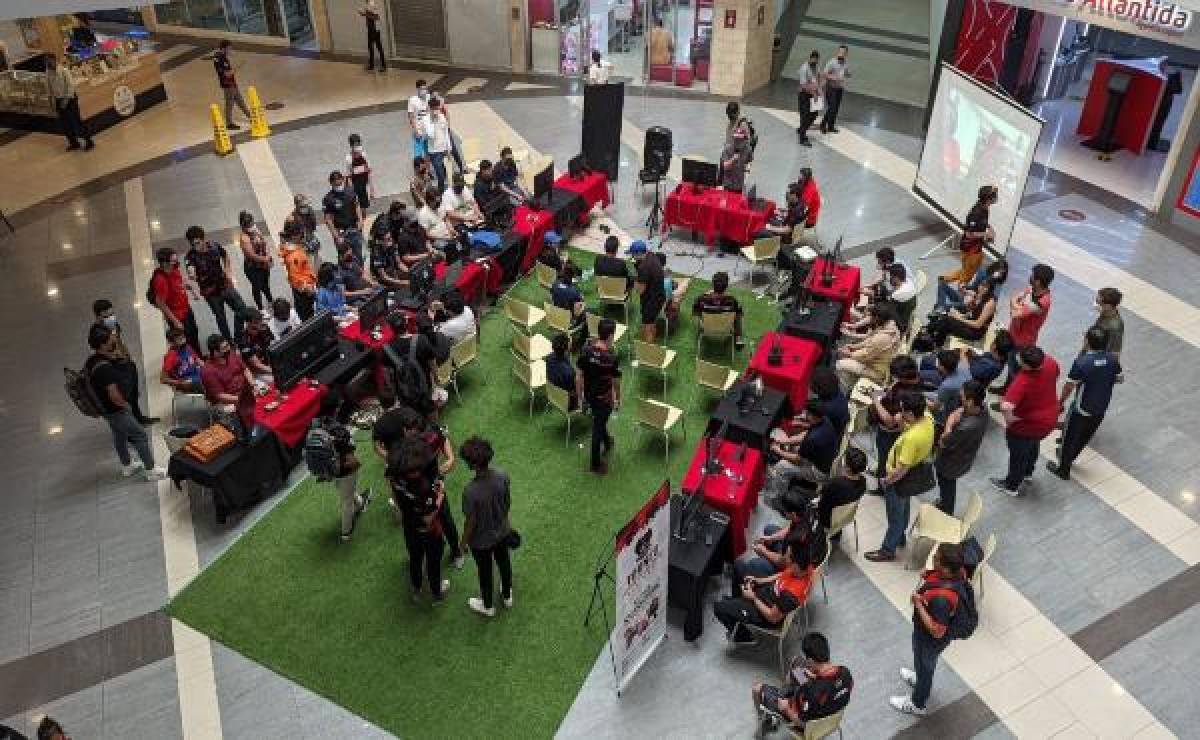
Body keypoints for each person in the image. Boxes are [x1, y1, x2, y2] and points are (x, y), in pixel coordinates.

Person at [891, 543, 973, 716]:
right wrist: (929, 575)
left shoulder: (942, 600)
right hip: (927, 635)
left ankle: (917, 703)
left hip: (931, 639)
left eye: (936, 557)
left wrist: (918, 604)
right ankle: (920, 678)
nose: (933, 557)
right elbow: (939, 579)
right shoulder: (959, 572)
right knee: (922, 663)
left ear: (944, 568)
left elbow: (938, 631)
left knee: (926, 664)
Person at [86, 324, 166, 481]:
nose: (114, 339)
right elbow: (114, 395)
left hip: (106, 411)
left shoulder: (92, 361)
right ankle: (151, 471)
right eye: (110, 338)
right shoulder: (105, 369)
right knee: (140, 435)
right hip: (116, 410)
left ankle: (127, 466)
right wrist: (126, 405)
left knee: (119, 435)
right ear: (103, 344)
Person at [866, 392, 935, 562]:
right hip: (914, 473)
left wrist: (887, 480)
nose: (900, 413)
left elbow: (901, 470)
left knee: (895, 515)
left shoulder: (912, 438)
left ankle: (887, 550)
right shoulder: (927, 418)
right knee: (903, 508)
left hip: (900, 479)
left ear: (911, 414)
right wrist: (903, 421)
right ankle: (900, 537)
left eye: (903, 410)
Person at [1049, 327, 1122, 480]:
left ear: (1087, 341)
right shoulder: (1113, 359)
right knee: (1084, 437)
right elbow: (1119, 378)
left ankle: (1063, 469)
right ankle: (1072, 457)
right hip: (1101, 407)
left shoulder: (1082, 363)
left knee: (1069, 438)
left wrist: (1060, 402)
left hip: (1081, 409)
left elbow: (1069, 386)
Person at [387, 436, 449, 603]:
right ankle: (437, 593)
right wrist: (440, 495)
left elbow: (393, 493)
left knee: (415, 557)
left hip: (409, 526)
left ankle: (416, 587)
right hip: (427, 532)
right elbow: (429, 518)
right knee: (433, 562)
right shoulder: (423, 487)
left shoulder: (394, 475)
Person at [990, 346, 1060, 496]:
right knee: (1033, 445)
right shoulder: (1050, 362)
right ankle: (1028, 473)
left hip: (1027, 425)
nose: (1017, 358)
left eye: (1020, 359)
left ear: (1027, 366)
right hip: (1049, 418)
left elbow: (1005, 406)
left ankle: (1011, 486)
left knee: (1018, 455)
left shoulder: (1023, 381)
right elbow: (1055, 376)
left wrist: (1010, 420)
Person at [714, 540, 813, 644]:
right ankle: (738, 602)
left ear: (795, 565)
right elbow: (783, 574)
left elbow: (772, 618)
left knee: (719, 608)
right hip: (769, 593)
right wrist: (759, 580)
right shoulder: (805, 567)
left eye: (787, 556)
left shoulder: (789, 596)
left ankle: (743, 637)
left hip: (766, 612)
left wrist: (753, 598)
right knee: (738, 564)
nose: (784, 557)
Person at [753, 632, 853, 732]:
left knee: (757, 689)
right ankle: (785, 690)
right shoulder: (846, 673)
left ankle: (766, 719)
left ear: (810, 660)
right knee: (797, 663)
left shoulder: (812, 694)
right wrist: (815, 677)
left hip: (801, 715)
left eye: (807, 659)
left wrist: (786, 709)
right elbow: (830, 687)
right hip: (825, 710)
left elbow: (803, 724)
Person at [460, 437, 514, 617]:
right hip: (502, 532)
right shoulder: (502, 475)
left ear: (472, 464)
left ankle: (488, 606)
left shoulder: (470, 491)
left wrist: (462, 544)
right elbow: (507, 503)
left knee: (485, 572)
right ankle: (507, 596)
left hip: (481, 542)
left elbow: (470, 522)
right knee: (504, 561)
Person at [312, 389, 372, 541]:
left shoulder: (316, 422)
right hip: (343, 466)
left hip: (328, 466)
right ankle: (346, 531)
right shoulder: (338, 429)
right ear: (336, 407)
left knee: (345, 489)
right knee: (346, 501)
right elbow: (349, 452)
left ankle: (359, 503)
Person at [993, 263, 1054, 394]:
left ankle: (1010, 396)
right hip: (1013, 333)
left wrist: (1016, 306)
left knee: (1015, 370)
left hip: (1023, 341)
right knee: (1010, 363)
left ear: (1038, 281)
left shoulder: (1043, 302)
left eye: (1033, 275)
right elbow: (1013, 298)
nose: (1030, 277)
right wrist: (1018, 306)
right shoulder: (1031, 289)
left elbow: (1015, 313)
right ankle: (1005, 389)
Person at [185, 226, 249, 342]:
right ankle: (229, 342)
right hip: (211, 293)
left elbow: (225, 256)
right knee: (221, 319)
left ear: (203, 239)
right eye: (193, 244)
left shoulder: (214, 245)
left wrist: (228, 270)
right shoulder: (190, 256)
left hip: (224, 285)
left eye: (198, 243)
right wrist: (192, 273)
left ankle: (239, 335)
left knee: (242, 309)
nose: (196, 247)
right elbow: (190, 268)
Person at [767, 400, 840, 500]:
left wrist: (777, 450)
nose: (804, 415)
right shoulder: (824, 420)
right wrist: (786, 441)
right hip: (826, 460)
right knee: (793, 446)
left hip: (819, 472)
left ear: (812, 416)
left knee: (781, 467)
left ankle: (778, 497)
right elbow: (806, 434)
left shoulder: (813, 439)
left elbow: (798, 460)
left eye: (806, 413)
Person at [934, 380, 988, 515]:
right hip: (965, 456)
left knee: (947, 486)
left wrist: (949, 422)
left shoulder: (965, 428)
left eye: (962, 396)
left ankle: (946, 511)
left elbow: (943, 441)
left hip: (950, 463)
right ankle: (944, 503)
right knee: (947, 485)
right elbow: (960, 411)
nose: (960, 397)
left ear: (970, 401)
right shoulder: (982, 408)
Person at [577, 318, 621, 475]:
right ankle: (595, 464)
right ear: (610, 336)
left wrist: (581, 396)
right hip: (603, 399)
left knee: (598, 420)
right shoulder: (611, 358)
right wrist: (618, 399)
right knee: (597, 427)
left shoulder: (586, 351)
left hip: (589, 395)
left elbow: (579, 375)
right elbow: (616, 382)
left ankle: (608, 442)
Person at [835, 303, 901, 388]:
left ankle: (851, 387)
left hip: (877, 371)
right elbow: (869, 340)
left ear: (877, 318)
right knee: (849, 352)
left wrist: (850, 353)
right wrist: (854, 347)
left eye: (871, 317)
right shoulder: (890, 325)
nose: (870, 318)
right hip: (879, 361)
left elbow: (865, 355)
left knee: (840, 364)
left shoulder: (882, 337)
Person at [150, 247, 201, 354]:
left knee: (194, 333)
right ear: (164, 263)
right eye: (173, 260)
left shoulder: (174, 269)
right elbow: (160, 303)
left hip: (186, 309)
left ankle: (198, 357)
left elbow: (180, 283)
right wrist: (175, 321)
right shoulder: (160, 280)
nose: (176, 262)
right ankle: (192, 361)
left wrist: (191, 291)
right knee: (186, 341)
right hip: (178, 316)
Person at [944, 185, 997, 286]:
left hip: (977, 248)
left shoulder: (984, 208)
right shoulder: (976, 212)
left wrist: (989, 228)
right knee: (966, 277)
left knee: (968, 271)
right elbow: (969, 234)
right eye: (994, 195)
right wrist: (986, 234)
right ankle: (960, 295)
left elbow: (982, 223)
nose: (996, 197)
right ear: (988, 199)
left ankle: (944, 278)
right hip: (970, 249)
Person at [926, 278, 997, 347]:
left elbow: (977, 325)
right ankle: (932, 333)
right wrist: (960, 315)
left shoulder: (990, 303)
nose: (982, 288)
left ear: (990, 289)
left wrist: (958, 317)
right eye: (981, 285)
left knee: (946, 320)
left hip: (975, 332)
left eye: (986, 287)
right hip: (970, 320)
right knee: (946, 316)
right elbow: (971, 312)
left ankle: (934, 339)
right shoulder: (980, 295)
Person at [45, 55, 93, 151]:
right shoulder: (48, 73)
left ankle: (88, 141)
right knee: (65, 124)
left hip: (70, 99)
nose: (49, 63)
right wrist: (51, 101)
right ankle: (74, 143)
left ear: (55, 60)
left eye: (50, 61)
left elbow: (70, 86)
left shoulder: (64, 70)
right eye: (47, 62)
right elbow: (49, 88)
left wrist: (66, 100)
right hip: (59, 100)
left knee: (77, 121)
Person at [817, 446, 867, 534]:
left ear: (848, 468)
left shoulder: (836, 483)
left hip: (828, 520)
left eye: (844, 461)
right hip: (846, 517)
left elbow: (819, 492)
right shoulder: (863, 481)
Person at [201, 334, 255, 413]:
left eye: (227, 345)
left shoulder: (231, 354)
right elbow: (220, 396)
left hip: (245, 391)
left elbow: (245, 370)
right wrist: (242, 399)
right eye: (224, 348)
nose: (228, 349)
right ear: (215, 352)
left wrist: (253, 385)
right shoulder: (208, 371)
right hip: (227, 402)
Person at [692, 271, 744, 348]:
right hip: (725, 331)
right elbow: (739, 313)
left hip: (707, 330)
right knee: (738, 314)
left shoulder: (702, 299)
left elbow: (695, 313)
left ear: (713, 284)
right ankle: (738, 338)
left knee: (698, 312)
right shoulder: (732, 300)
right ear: (726, 286)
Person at [323, 171, 365, 265]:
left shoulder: (350, 191)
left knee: (358, 254)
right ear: (331, 183)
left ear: (343, 180)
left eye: (340, 183)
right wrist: (336, 236)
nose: (338, 186)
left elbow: (357, 205)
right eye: (336, 184)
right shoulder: (328, 198)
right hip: (341, 233)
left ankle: (360, 274)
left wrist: (361, 220)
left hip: (354, 229)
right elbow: (328, 219)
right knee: (344, 257)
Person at [936, 258, 1007, 311]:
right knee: (942, 286)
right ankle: (940, 307)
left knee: (944, 306)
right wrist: (965, 287)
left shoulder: (998, 286)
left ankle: (940, 307)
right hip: (969, 298)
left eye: (1001, 273)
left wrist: (974, 296)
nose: (999, 275)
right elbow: (974, 287)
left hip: (972, 305)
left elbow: (988, 301)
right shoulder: (983, 272)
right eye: (998, 272)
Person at [280, 221, 318, 320]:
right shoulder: (293, 256)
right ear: (293, 236)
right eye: (300, 233)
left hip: (307, 285)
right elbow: (295, 278)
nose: (302, 235)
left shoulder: (295, 248)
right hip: (304, 293)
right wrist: (309, 289)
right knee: (308, 317)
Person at [237, 210, 274, 310]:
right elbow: (251, 255)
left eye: (252, 223)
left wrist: (268, 255)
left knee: (266, 284)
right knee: (257, 287)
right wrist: (265, 259)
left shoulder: (256, 230)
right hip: (252, 267)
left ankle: (270, 301)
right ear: (244, 227)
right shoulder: (244, 238)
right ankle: (260, 307)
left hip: (263, 264)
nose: (252, 226)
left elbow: (264, 242)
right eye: (249, 225)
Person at [631, 241, 666, 342]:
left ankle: (648, 351)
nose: (633, 257)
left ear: (637, 254)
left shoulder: (644, 268)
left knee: (648, 326)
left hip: (652, 301)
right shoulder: (652, 256)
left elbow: (640, 291)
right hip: (659, 295)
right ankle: (649, 344)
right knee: (651, 322)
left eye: (633, 255)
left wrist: (634, 281)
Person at [927, 349, 972, 425]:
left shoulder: (947, 385)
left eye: (938, 362)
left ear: (942, 367)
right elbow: (963, 353)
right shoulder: (964, 365)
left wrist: (922, 399)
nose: (936, 363)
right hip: (960, 399)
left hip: (949, 410)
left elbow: (935, 406)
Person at [213, 40, 251, 130]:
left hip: (230, 83)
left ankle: (250, 117)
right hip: (228, 84)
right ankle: (229, 123)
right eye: (229, 48)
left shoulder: (217, 56)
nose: (231, 50)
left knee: (240, 101)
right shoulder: (222, 59)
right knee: (229, 104)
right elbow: (228, 74)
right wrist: (239, 65)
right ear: (224, 48)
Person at [160, 327, 204, 394]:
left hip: (198, 376)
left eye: (183, 338)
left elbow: (198, 360)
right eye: (180, 339)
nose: (183, 341)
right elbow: (163, 379)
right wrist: (179, 383)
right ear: (172, 342)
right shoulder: (171, 356)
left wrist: (209, 369)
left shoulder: (187, 347)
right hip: (188, 382)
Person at [424, 96, 453, 194]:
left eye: (437, 108)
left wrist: (449, 148)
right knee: (440, 174)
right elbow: (430, 135)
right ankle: (440, 193)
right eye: (434, 109)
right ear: (430, 108)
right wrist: (433, 120)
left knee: (446, 172)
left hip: (444, 150)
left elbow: (446, 133)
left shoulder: (442, 116)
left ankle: (444, 190)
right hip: (434, 152)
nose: (437, 111)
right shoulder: (426, 120)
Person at [819, 45, 850, 134]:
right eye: (840, 52)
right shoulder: (832, 62)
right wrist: (834, 78)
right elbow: (824, 74)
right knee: (832, 107)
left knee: (836, 109)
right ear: (837, 52)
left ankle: (831, 126)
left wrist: (848, 74)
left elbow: (846, 72)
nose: (841, 54)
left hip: (839, 89)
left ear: (846, 54)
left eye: (843, 52)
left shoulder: (845, 63)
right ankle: (823, 125)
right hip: (831, 88)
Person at [796, 50, 822, 147]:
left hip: (813, 94)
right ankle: (802, 139)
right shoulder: (804, 68)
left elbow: (819, 76)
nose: (815, 63)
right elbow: (803, 85)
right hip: (804, 95)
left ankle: (802, 129)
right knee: (805, 116)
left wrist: (819, 90)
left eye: (816, 61)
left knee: (814, 114)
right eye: (813, 60)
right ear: (810, 58)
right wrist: (813, 93)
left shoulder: (816, 67)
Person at [546, 332, 578, 410]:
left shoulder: (549, 358)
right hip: (567, 402)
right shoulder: (568, 372)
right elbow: (576, 391)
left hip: (554, 394)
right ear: (566, 349)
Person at [1090, 287, 1124, 358]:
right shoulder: (1106, 313)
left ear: (1108, 306)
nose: (1096, 304)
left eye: (1098, 303)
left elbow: (1115, 353)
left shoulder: (1115, 327)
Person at [345, 133, 374, 210]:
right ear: (351, 146)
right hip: (355, 185)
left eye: (359, 144)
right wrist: (352, 192)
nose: (358, 147)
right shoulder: (349, 158)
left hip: (363, 184)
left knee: (364, 207)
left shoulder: (364, 155)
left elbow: (369, 172)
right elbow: (349, 176)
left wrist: (371, 189)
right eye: (355, 145)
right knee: (356, 207)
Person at [289, 193, 323, 259]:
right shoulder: (294, 216)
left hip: (308, 236)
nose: (305, 207)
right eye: (302, 206)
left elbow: (313, 222)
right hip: (303, 239)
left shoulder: (308, 210)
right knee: (309, 256)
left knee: (315, 254)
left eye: (305, 205)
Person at [719, 125, 752, 193]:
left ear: (745, 140)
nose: (737, 141)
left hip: (739, 184)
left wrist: (747, 172)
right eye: (735, 138)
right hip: (728, 184)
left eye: (740, 139)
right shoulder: (727, 148)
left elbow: (749, 161)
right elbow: (725, 166)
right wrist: (733, 159)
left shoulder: (748, 149)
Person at [360, 0, 386, 72]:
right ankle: (372, 65)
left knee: (378, 47)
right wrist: (364, 14)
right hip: (370, 30)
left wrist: (365, 14)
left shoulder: (372, 4)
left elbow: (376, 17)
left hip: (375, 30)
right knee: (370, 47)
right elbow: (370, 16)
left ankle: (383, 66)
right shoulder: (368, 4)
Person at [407, 79, 431, 158]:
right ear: (417, 89)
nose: (424, 91)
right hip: (418, 129)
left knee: (428, 151)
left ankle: (427, 169)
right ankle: (419, 167)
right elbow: (410, 116)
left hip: (427, 129)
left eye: (425, 89)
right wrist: (415, 130)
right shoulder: (412, 100)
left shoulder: (429, 97)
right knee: (418, 154)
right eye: (422, 89)